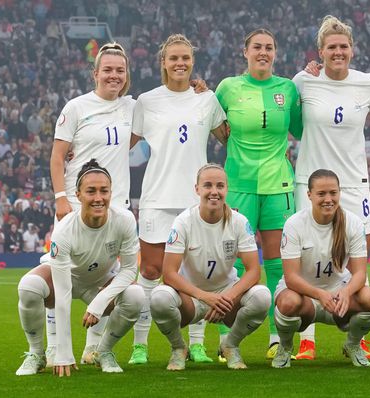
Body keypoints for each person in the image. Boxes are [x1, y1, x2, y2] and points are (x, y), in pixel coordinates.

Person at [128, 33, 227, 365]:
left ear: (192, 62)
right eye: (174, 58)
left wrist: (214, 93)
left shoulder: (207, 99)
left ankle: (196, 344)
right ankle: (139, 345)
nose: (180, 63)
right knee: (151, 271)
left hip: (196, 201)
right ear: (163, 63)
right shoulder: (146, 101)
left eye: (185, 57)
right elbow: (123, 146)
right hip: (156, 196)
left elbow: (228, 137)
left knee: (194, 272)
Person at [292, 14, 370, 360]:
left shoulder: (368, 84)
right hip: (310, 183)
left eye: (343, 46)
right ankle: (307, 341)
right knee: (306, 259)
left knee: (358, 259)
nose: (338, 51)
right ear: (320, 51)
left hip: (355, 184)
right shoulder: (303, 81)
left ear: (352, 49)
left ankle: (354, 339)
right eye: (331, 46)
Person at [214, 28, 302, 360]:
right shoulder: (228, 88)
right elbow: (211, 120)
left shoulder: (288, 89)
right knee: (232, 262)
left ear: (275, 53)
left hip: (279, 185)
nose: (262, 52)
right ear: (245, 52)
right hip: (238, 185)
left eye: (268, 47)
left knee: (279, 262)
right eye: (257, 47)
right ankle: (225, 338)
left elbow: (301, 129)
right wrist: (230, 145)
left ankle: (277, 338)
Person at [47, 42, 135, 367]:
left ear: (126, 75)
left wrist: (197, 87)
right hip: (75, 206)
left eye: (120, 70)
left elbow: (133, 137)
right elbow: (58, 156)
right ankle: (55, 348)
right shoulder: (77, 107)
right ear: (95, 73)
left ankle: (93, 348)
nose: (114, 75)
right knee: (61, 280)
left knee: (111, 280)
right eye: (108, 70)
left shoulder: (132, 108)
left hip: (116, 206)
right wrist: (60, 198)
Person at [15, 160, 144, 376]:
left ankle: (103, 352)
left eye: (104, 191)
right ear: (78, 194)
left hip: (99, 283)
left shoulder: (125, 220)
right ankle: (37, 354)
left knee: (136, 296)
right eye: (91, 191)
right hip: (64, 280)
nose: (98, 198)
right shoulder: (64, 230)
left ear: (111, 192)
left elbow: (130, 270)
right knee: (28, 287)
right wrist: (64, 353)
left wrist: (99, 302)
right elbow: (63, 293)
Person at [150, 164, 271, 370]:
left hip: (226, 297)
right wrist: (205, 297)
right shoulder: (183, 222)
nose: (214, 191)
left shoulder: (239, 222)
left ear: (226, 189)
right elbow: (169, 273)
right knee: (159, 298)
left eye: (220, 186)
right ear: (197, 189)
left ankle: (230, 345)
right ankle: (179, 348)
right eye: (207, 185)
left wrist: (227, 298)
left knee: (263, 297)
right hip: (190, 298)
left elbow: (254, 271)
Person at [271, 169, 370, 368]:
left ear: (339, 193)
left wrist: (346, 291)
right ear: (309, 195)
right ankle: (285, 347)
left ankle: (353, 345)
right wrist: (319, 294)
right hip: (304, 295)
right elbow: (291, 277)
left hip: (338, 296)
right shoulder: (294, 224)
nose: (328, 199)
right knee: (287, 303)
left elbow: (360, 273)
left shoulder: (353, 223)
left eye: (333, 193)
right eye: (321, 194)